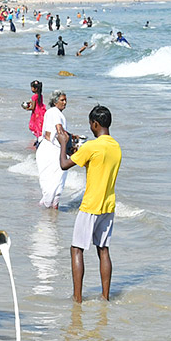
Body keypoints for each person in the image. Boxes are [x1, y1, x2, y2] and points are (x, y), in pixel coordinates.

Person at [58, 105, 121, 303]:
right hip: (108, 205)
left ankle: (77, 298)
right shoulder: (116, 147)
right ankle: (105, 296)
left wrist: (63, 143)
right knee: (103, 249)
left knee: (77, 249)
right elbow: (96, 164)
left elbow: (64, 164)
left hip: (90, 205)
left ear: (95, 124)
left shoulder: (92, 146)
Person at [36, 90, 69, 209]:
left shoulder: (54, 113)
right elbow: (59, 130)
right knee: (53, 182)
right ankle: (49, 209)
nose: (65, 102)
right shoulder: (54, 112)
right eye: (62, 100)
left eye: (65, 100)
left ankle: (51, 208)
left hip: (52, 149)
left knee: (55, 181)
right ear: (55, 102)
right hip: (51, 150)